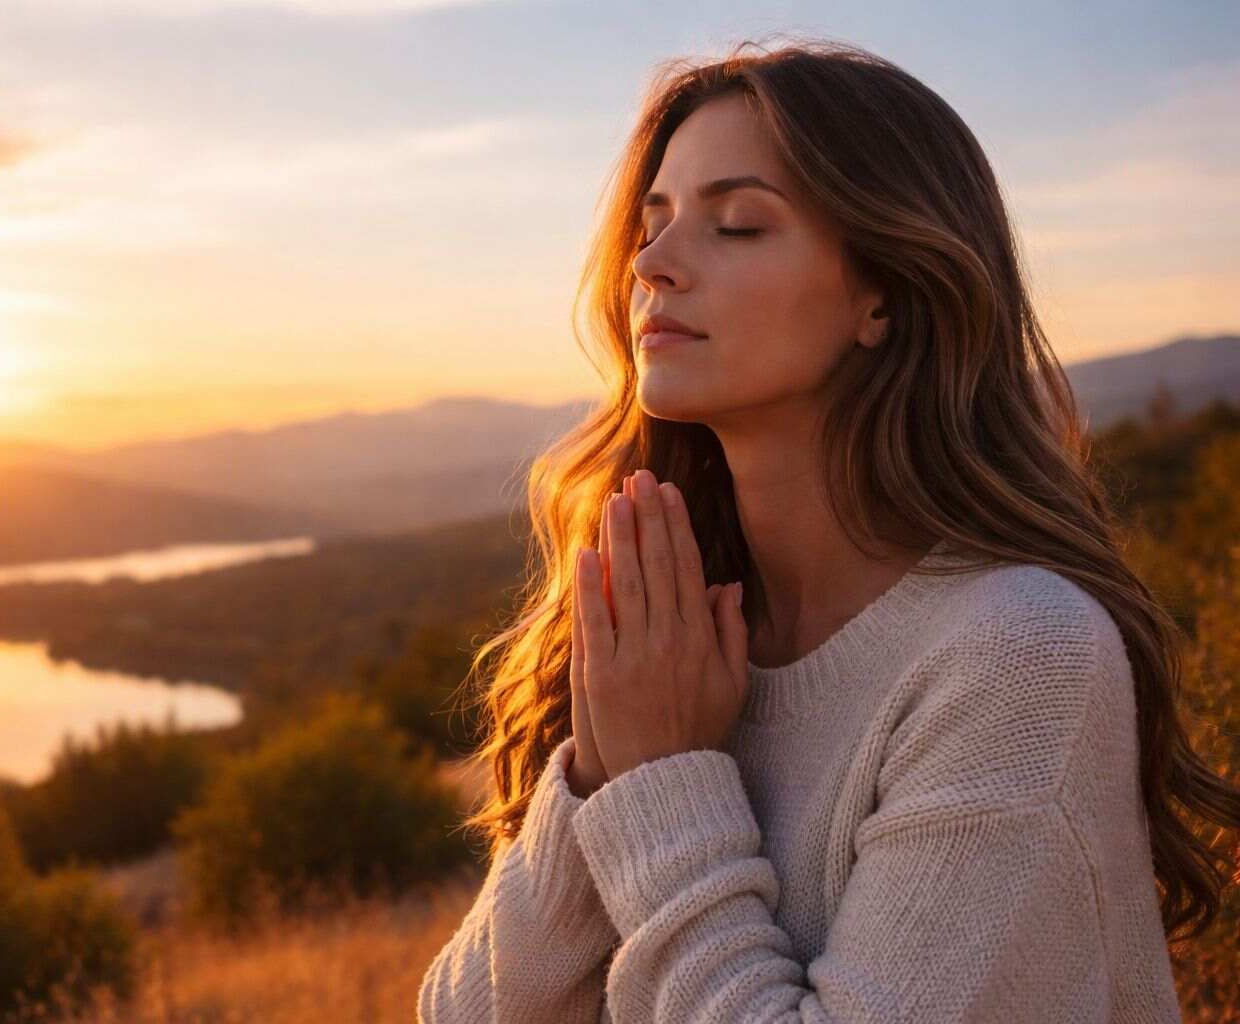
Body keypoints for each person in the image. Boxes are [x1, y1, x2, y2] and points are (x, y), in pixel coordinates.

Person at [416, 37, 1239, 1023]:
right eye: (655, 222)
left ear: (883, 294)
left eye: (738, 226)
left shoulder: (1018, 656)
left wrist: (664, 784)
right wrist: (599, 774)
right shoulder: (668, 642)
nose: (654, 264)